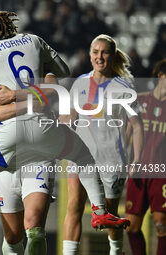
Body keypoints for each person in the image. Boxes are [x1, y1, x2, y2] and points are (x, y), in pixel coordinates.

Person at [0, 9, 129, 253]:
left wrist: (1, 96)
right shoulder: (34, 40)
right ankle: (100, 212)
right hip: (42, 130)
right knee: (83, 156)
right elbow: (61, 71)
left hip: (11, 137)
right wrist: (39, 85)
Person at [59, 34, 144, 255]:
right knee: (74, 207)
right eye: (95, 52)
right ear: (90, 55)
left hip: (111, 159)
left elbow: (137, 125)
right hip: (80, 157)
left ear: (112, 55)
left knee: (109, 215)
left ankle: (115, 252)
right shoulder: (80, 83)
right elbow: (72, 117)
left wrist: (136, 159)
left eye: (104, 52)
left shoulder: (123, 88)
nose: (99, 56)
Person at [125, 59, 166, 255]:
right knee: (131, 226)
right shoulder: (139, 101)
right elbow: (126, 133)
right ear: (161, 76)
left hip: (161, 174)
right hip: (138, 172)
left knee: (161, 223)